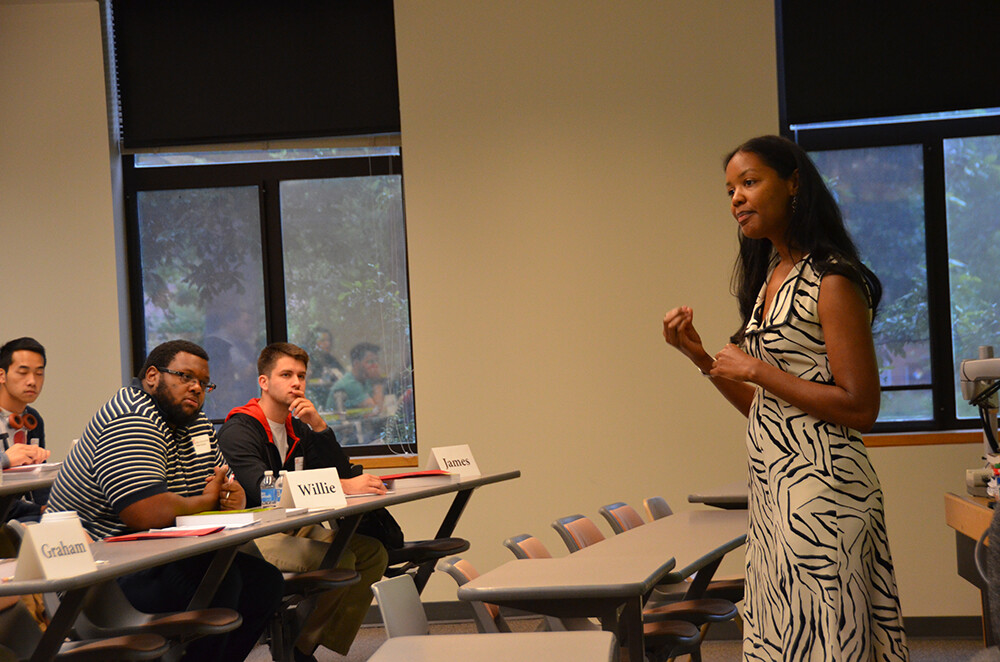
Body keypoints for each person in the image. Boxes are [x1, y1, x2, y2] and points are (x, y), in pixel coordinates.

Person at [662, 135, 908, 661]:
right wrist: (702, 358)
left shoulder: (832, 279)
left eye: (750, 183)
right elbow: (767, 409)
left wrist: (755, 369)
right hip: (776, 493)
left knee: (827, 644)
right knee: (784, 643)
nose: (737, 199)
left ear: (794, 182)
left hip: (825, 494)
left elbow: (861, 408)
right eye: (730, 190)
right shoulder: (771, 278)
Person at [47, 340, 284, 662]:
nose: (196, 388)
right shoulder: (132, 416)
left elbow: (221, 482)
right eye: (185, 377)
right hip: (104, 574)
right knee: (221, 585)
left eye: (203, 382)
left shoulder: (194, 422)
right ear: (152, 376)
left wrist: (234, 497)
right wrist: (206, 500)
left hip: (158, 555)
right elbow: (144, 513)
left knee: (265, 582)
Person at [218, 342, 388, 662]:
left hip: (295, 525)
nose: (296, 382)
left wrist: (320, 426)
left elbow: (338, 472)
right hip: (254, 535)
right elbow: (262, 490)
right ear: (264, 382)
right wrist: (343, 485)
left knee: (372, 554)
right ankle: (296, 649)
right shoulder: (239, 429)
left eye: (301, 375)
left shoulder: (299, 426)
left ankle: (303, 645)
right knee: (339, 560)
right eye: (286, 374)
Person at [0, 338, 52, 521]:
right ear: (2, 375)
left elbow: (39, 483)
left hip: (26, 516)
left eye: (39, 373)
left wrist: (50, 508)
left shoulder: (33, 419)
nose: (32, 381)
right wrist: (5, 459)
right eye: (23, 372)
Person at [325, 342, 385, 413]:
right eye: (370, 362)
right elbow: (376, 410)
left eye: (376, 361)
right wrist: (377, 381)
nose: (375, 365)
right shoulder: (349, 384)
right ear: (356, 364)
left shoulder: (366, 381)